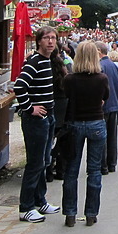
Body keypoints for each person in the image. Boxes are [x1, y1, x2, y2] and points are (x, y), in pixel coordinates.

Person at [14, 26, 60, 223]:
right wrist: (30, 108)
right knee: (35, 163)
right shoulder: (34, 62)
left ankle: (40, 200)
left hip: (48, 116)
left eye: (53, 38)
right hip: (36, 120)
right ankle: (26, 207)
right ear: (39, 41)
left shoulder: (47, 61)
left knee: (44, 161)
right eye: (47, 38)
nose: (51, 41)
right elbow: (19, 86)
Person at [61, 42, 109, 227]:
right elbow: (106, 97)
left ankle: (70, 214)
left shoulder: (70, 79)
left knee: (71, 170)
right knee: (94, 170)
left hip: (75, 123)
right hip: (96, 122)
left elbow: (66, 98)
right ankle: (91, 213)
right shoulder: (101, 78)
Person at [96, 42, 118, 175]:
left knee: (102, 137)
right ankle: (112, 163)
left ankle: (103, 165)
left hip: (104, 106)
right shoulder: (113, 65)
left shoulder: (100, 66)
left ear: (99, 51)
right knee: (112, 136)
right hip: (113, 104)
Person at [47, 46, 69, 182]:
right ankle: (61, 170)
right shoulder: (63, 68)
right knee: (62, 142)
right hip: (63, 106)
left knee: (48, 141)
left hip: (50, 105)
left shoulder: (44, 67)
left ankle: (48, 171)